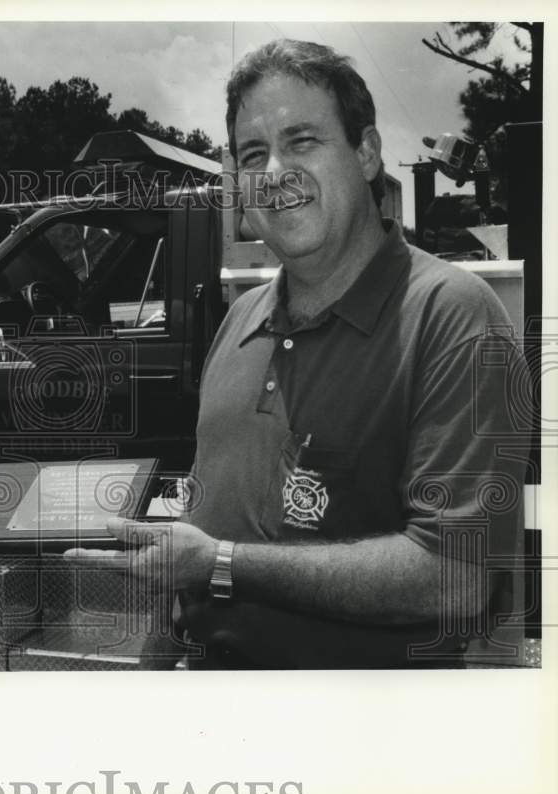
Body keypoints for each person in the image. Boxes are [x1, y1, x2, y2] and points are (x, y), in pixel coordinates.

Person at [66, 39, 529, 669]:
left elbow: (455, 575)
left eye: (302, 140)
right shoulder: (239, 321)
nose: (275, 170)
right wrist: (160, 662)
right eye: (254, 153)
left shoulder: (453, 315)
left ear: (366, 153)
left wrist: (222, 565)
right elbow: (200, 535)